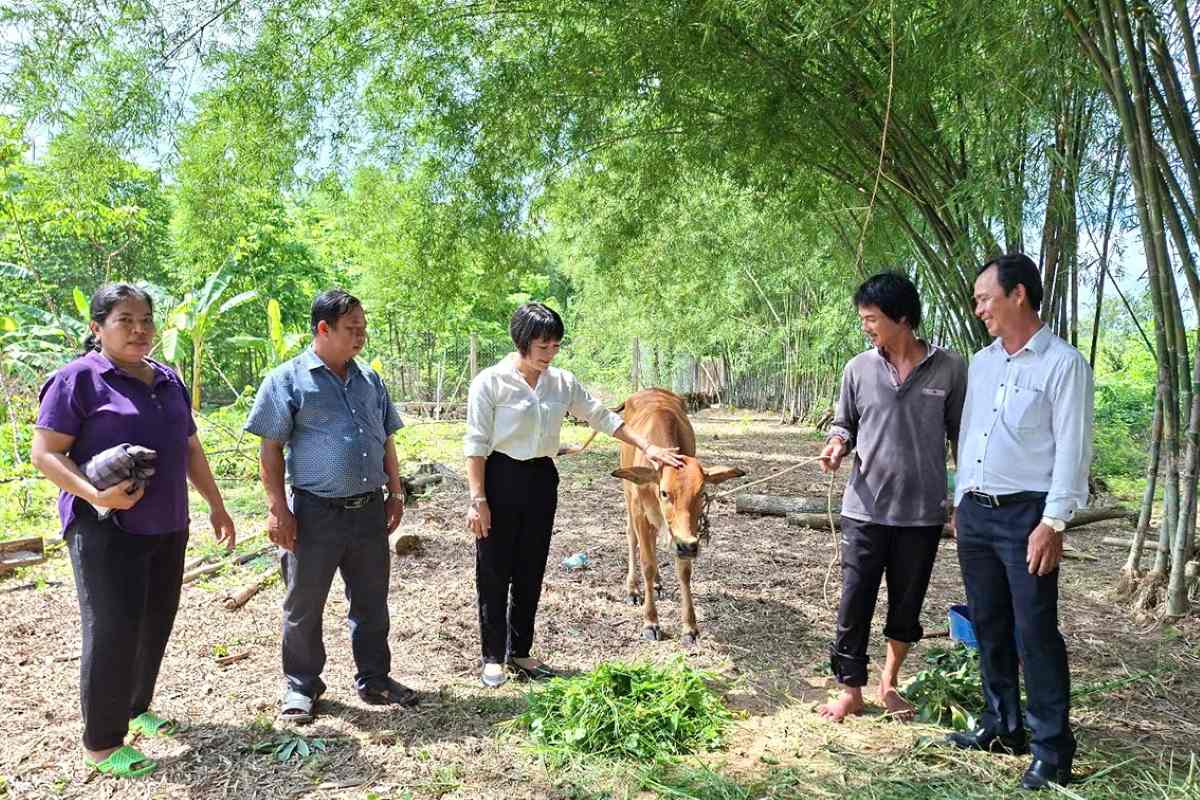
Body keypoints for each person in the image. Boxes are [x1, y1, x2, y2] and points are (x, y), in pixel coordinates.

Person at [31, 284, 236, 778]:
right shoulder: (78, 380)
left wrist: (216, 503)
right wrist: (94, 493)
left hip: (167, 524)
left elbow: (189, 447)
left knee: (154, 621)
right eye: (125, 320)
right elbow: (45, 452)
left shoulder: (167, 380)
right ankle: (101, 744)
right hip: (106, 528)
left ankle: (136, 707)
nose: (140, 329)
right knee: (113, 628)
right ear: (97, 328)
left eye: (146, 319)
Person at [464, 302, 684, 687]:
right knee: (495, 568)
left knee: (531, 567)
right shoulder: (490, 382)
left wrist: (647, 447)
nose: (550, 354)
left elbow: (603, 416)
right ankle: (492, 657)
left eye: (555, 346)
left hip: (541, 478)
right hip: (499, 476)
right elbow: (476, 444)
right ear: (521, 341)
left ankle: (521, 652)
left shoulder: (561, 382)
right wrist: (478, 499)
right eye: (542, 346)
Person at [946, 253, 1093, 791]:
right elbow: (971, 439)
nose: (979, 307)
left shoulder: (1063, 364)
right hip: (977, 515)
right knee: (988, 624)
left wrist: (1053, 522)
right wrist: (961, 501)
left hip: (1028, 516)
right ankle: (1002, 724)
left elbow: (1073, 452)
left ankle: (1053, 749)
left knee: (1035, 632)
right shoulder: (982, 363)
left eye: (986, 297)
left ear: (1019, 296)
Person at [244, 289, 413, 724]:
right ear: (323, 329)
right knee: (304, 603)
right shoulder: (287, 381)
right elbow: (271, 451)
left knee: (372, 601)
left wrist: (394, 493)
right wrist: (277, 508)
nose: (361, 337)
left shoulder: (369, 381)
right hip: (314, 514)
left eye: (363, 328)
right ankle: (302, 686)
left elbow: (387, 439)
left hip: (367, 512)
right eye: (352, 329)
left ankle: (375, 678)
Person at [817, 272, 967, 723]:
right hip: (864, 507)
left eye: (872, 318)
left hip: (921, 511)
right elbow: (844, 422)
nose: (866, 326)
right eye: (863, 318)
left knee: (907, 603)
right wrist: (837, 444)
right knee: (854, 600)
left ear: (903, 318)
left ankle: (890, 683)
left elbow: (963, 438)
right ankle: (850, 689)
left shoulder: (950, 368)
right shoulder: (858, 369)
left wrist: (959, 500)